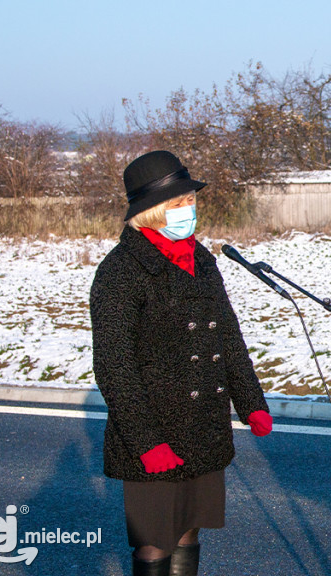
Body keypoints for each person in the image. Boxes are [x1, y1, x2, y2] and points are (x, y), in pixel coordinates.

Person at [90, 150, 274, 576]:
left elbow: (227, 336)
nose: (188, 211)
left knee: (191, 530)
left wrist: (251, 402)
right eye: (177, 205)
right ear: (151, 212)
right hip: (154, 429)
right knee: (156, 542)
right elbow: (114, 367)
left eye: (190, 202)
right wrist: (145, 442)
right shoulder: (121, 271)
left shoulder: (202, 260)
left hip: (203, 425)